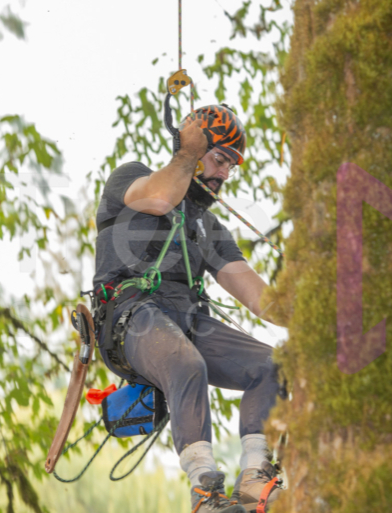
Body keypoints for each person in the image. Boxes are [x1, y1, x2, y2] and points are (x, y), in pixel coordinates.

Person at [93, 105, 284, 513]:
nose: (224, 175)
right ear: (194, 149)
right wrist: (185, 153)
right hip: (131, 315)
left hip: (187, 320)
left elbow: (257, 296)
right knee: (187, 363)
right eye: (219, 159)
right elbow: (161, 198)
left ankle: (254, 478)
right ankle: (204, 489)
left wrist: (314, 314)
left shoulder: (208, 227)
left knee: (270, 366)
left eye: (232, 166)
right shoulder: (130, 177)